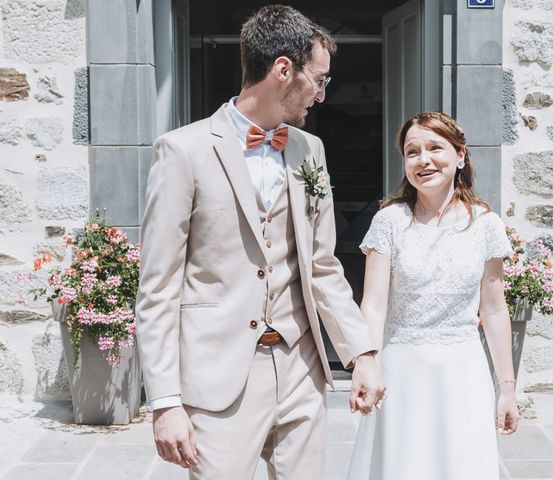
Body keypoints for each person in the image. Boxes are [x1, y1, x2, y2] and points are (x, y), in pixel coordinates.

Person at [135, 5, 385, 479]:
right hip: (219, 376)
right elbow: (158, 287)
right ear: (283, 70)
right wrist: (165, 401)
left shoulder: (311, 150)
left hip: (301, 368)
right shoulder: (182, 151)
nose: (322, 94)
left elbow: (322, 264)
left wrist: (362, 354)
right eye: (320, 79)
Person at [347, 112, 519, 480]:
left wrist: (506, 388)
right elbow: (374, 305)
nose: (423, 160)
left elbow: (494, 310)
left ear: (460, 155)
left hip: (463, 372)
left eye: (434, 148)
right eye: (412, 151)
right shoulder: (389, 221)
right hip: (401, 371)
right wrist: (367, 365)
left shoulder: (486, 225)